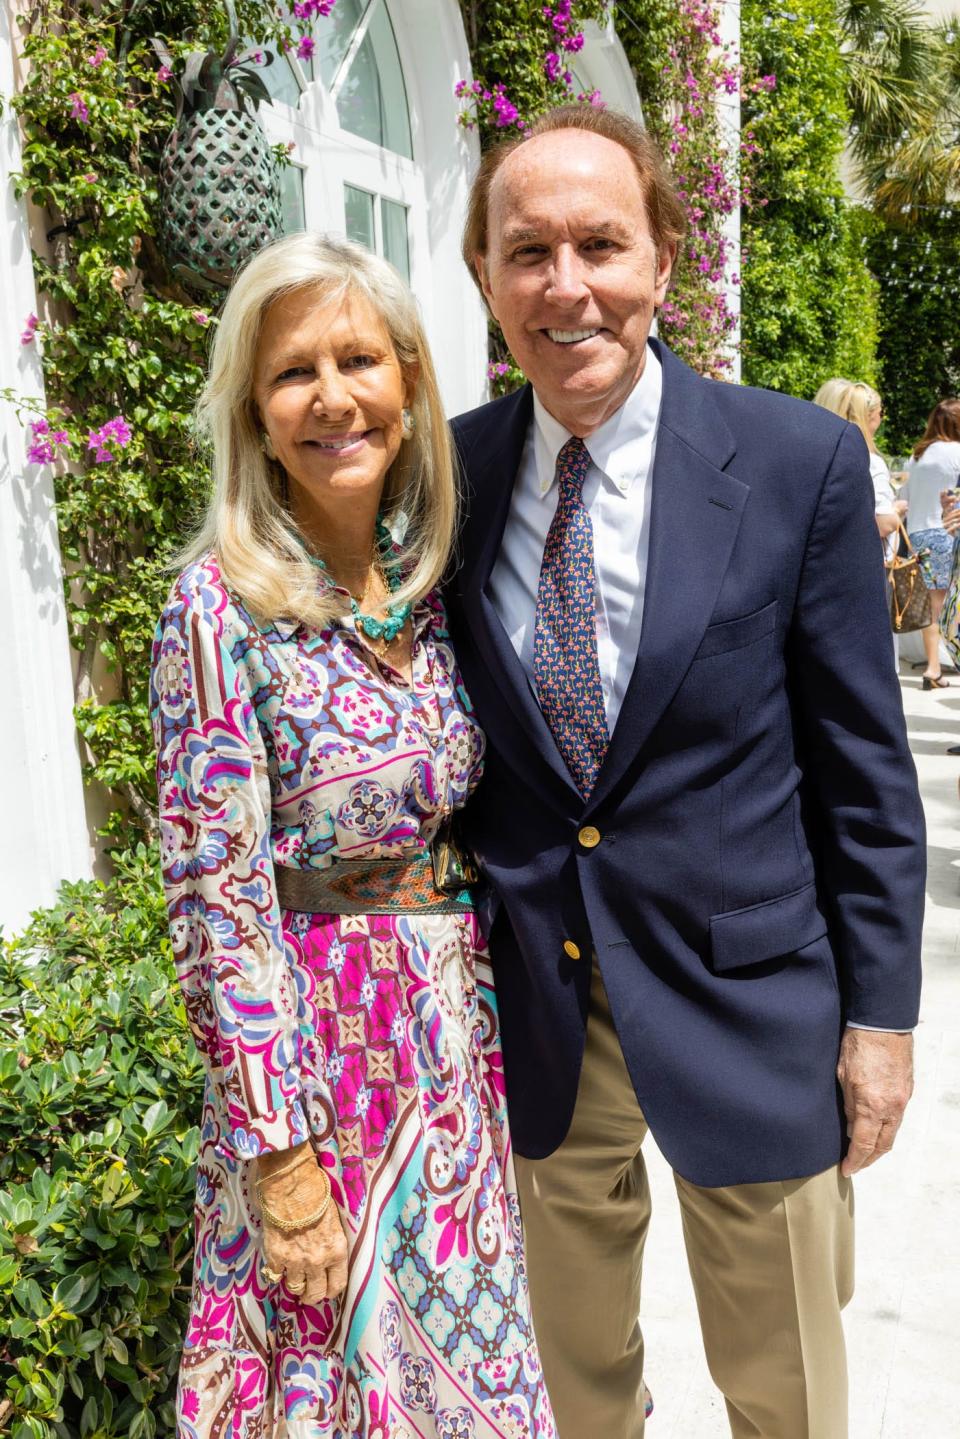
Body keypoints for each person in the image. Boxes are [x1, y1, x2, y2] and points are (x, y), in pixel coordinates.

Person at [445, 104, 925, 1439]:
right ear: (487, 277)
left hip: (750, 1002)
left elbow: (864, 771)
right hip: (542, 999)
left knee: (788, 1385)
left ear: (663, 259)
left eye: (600, 242)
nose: (566, 283)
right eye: (527, 250)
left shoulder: (796, 464)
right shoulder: (455, 472)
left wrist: (880, 1020)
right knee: (573, 1378)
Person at [150, 233, 554, 1437]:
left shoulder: (426, 585)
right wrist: (282, 1163)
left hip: (452, 1062)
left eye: (360, 359)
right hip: (322, 1080)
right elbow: (216, 900)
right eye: (293, 374)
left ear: (413, 383)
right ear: (256, 415)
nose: (334, 398)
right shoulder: (216, 606)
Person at [900, 398, 960, 688]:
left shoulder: (917, 456)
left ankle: (933, 667)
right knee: (950, 604)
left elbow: (905, 498)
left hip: (917, 535)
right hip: (946, 533)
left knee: (931, 606)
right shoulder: (957, 453)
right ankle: (937, 667)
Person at [812, 379, 907, 556]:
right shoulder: (870, 462)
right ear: (868, 416)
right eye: (881, 413)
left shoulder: (810, 458)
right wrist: (896, 511)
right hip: (862, 565)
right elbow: (883, 523)